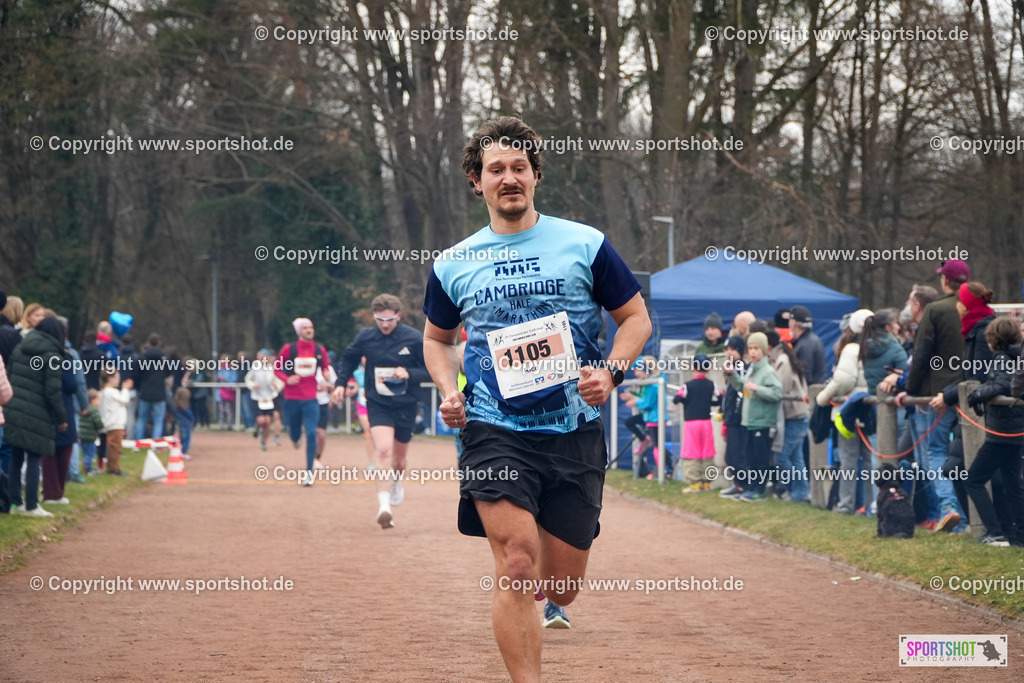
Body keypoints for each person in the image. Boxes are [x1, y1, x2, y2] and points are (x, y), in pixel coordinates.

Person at [422, 117, 650, 679]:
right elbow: (437, 339)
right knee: (518, 564)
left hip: (573, 428)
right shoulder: (453, 263)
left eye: (519, 167)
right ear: (477, 181)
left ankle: (554, 585)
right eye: (496, 169)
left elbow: (635, 319)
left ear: (535, 175)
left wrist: (611, 373)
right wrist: (450, 392)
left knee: (562, 587)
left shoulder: (584, 244)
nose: (509, 178)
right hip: (492, 428)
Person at [332, 295, 431, 527]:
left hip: (406, 404)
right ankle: (384, 506)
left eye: (389, 320)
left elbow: (429, 369)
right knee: (384, 450)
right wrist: (340, 384)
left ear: (398, 316)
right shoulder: (365, 337)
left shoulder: (413, 338)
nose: (384, 325)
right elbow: (348, 360)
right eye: (380, 320)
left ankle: (396, 481)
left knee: (399, 461)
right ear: (374, 317)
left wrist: (409, 374)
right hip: (378, 402)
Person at [897, 260, 969, 532]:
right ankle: (961, 516)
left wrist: (911, 390)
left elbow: (922, 354)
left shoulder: (936, 309)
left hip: (936, 394)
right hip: (969, 390)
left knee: (934, 453)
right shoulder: (974, 307)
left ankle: (949, 510)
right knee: (966, 455)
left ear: (945, 281)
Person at [964, 317, 1024, 546]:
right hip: (1016, 431)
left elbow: (1003, 385)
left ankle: (995, 531)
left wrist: (978, 394)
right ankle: (1017, 536)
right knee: (1013, 484)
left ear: (993, 340)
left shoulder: (1001, 358)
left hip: (1002, 433)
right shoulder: (1017, 356)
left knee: (973, 479)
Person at [4, 316, 69, 516]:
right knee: (34, 457)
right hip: (38, 412)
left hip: (15, 408)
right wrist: (61, 417)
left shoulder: (20, 348)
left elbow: (9, 375)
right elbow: (52, 391)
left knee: (16, 458)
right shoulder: (52, 356)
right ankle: (32, 505)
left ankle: (15, 503)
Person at [816, 310, 874, 513]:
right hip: (872, 411)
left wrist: (822, 397)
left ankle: (846, 504)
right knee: (869, 460)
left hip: (849, 413)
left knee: (849, 459)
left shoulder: (850, 349)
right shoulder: (878, 346)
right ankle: (871, 504)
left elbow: (843, 380)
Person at [275, 319, 331, 486]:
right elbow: (277, 368)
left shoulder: (319, 350)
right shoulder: (289, 349)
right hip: (292, 398)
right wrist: (287, 379)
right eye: (305, 328)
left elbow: (325, 367)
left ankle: (308, 473)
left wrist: (326, 376)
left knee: (312, 432)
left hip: (311, 398)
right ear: (299, 331)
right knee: (294, 433)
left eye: (311, 327)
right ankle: (295, 438)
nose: (309, 330)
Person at [728, 332, 782, 501]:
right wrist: (732, 375)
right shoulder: (752, 369)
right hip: (748, 422)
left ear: (764, 350)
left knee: (760, 459)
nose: (752, 352)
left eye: (756, 348)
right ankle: (750, 488)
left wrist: (758, 389)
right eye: (750, 348)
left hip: (762, 422)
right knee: (749, 457)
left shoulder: (768, 371)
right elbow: (742, 387)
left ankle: (760, 490)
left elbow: (777, 392)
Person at [767, 329, 810, 502]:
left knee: (781, 457)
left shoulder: (782, 361)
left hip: (795, 416)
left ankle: (797, 490)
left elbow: (780, 389)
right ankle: (800, 493)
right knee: (796, 457)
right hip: (797, 414)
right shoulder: (783, 357)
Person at [674, 354, 721, 492]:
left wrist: (687, 402)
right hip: (706, 423)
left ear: (692, 367)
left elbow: (676, 399)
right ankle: (707, 483)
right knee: (707, 451)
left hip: (691, 424)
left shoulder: (687, 385)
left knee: (691, 451)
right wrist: (710, 403)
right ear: (708, 369)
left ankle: (695, 483)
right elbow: (720, 398)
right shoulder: (712, 384)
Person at [719, 336, 748, 498]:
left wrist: (734, 416)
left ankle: (743, 486)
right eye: (727, 350)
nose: (729, 353)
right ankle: (737, 484)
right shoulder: (730, 367)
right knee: (730, 456)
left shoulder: (742, 367)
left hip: (739, 420)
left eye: (732, 349)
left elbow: (741, 394)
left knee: (737, 455)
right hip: (731, 419)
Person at [134, 333, 169, 440]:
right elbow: (168, 373)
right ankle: (155, 443)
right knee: (158, 420)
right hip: (159, 393)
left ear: (148, 343)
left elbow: (137, 375)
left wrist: (139, 388)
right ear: (159, 343)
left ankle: (138, 442)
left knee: (142, 418)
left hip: (145, 392)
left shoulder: (142, 358)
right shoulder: (164, 359)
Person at [244, 349, 281, 452]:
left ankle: (264, 442)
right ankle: (257, 427)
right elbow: (248, 379)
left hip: (269, 398)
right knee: (261, 420)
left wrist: (276, 385)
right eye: (262, 356)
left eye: (266, 356)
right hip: (257, 397)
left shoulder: (272, 368)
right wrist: (253, 385)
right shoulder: (255, 367)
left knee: (268, 421)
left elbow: (278, 380)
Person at [99, 366, 132, 476]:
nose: (118, 380)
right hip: (115, 423)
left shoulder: (103, 392)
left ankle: (111, 466)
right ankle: (114, 468)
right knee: (115, 447)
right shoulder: (112, 392)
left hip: (110, 423)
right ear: (110, 378)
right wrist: (125, 389)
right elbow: (125, 400)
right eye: (116, 377)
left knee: (112, 446)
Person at [788, 305, 827, 386]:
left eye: (789, 320)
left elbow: (805, 377)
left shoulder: (805, 344)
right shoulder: (812, 340)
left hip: (810, 391)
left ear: (794, 323)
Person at [78, 389, 105, 475]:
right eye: (98, 400)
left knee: (85, 453)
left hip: (82, 436)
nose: (99, 402)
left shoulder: (83, 409)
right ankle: (88, 469)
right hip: (90, 437)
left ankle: (86, 466)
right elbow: (98, 423)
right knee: (90, 453)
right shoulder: (94, 411)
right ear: (93, 400)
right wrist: (102, 426)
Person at [173, 386, 195, 457]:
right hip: (186, 424)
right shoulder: (185, 407)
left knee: (182, 438)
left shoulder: (176, 406)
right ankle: (184, 452)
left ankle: (180, 450)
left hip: (180, 424)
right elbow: (190, 416)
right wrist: (193, 421)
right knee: (186, 439)